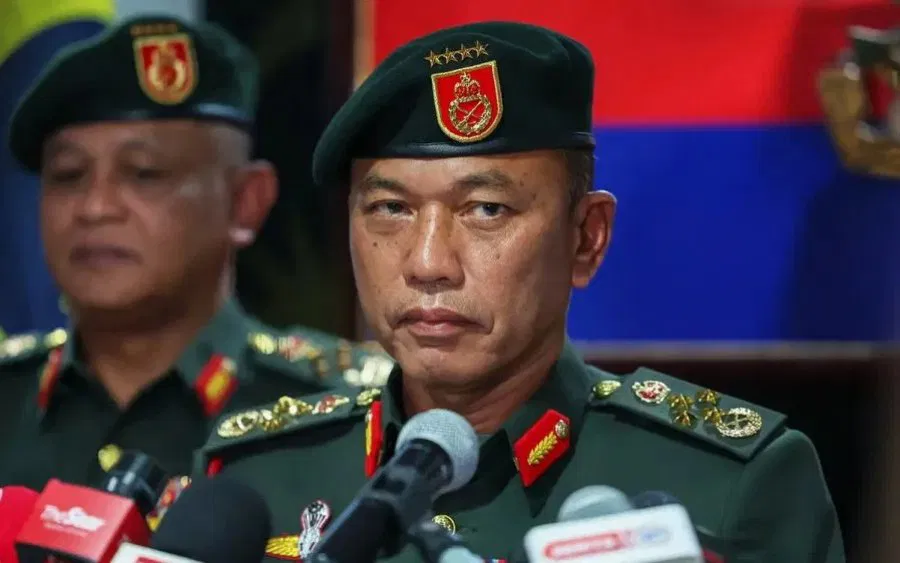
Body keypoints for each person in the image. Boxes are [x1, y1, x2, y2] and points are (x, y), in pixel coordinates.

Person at [197, 22, 844, 562]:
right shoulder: (257, 477)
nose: (428, 263)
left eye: (486, 210)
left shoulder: (729, 483)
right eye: (391, 209)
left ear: (586, 237)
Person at [0, 14, 393, 502]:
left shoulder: (350, 415)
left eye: (144, 173)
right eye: (67, 175)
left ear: (244, 202)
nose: (95, 207)